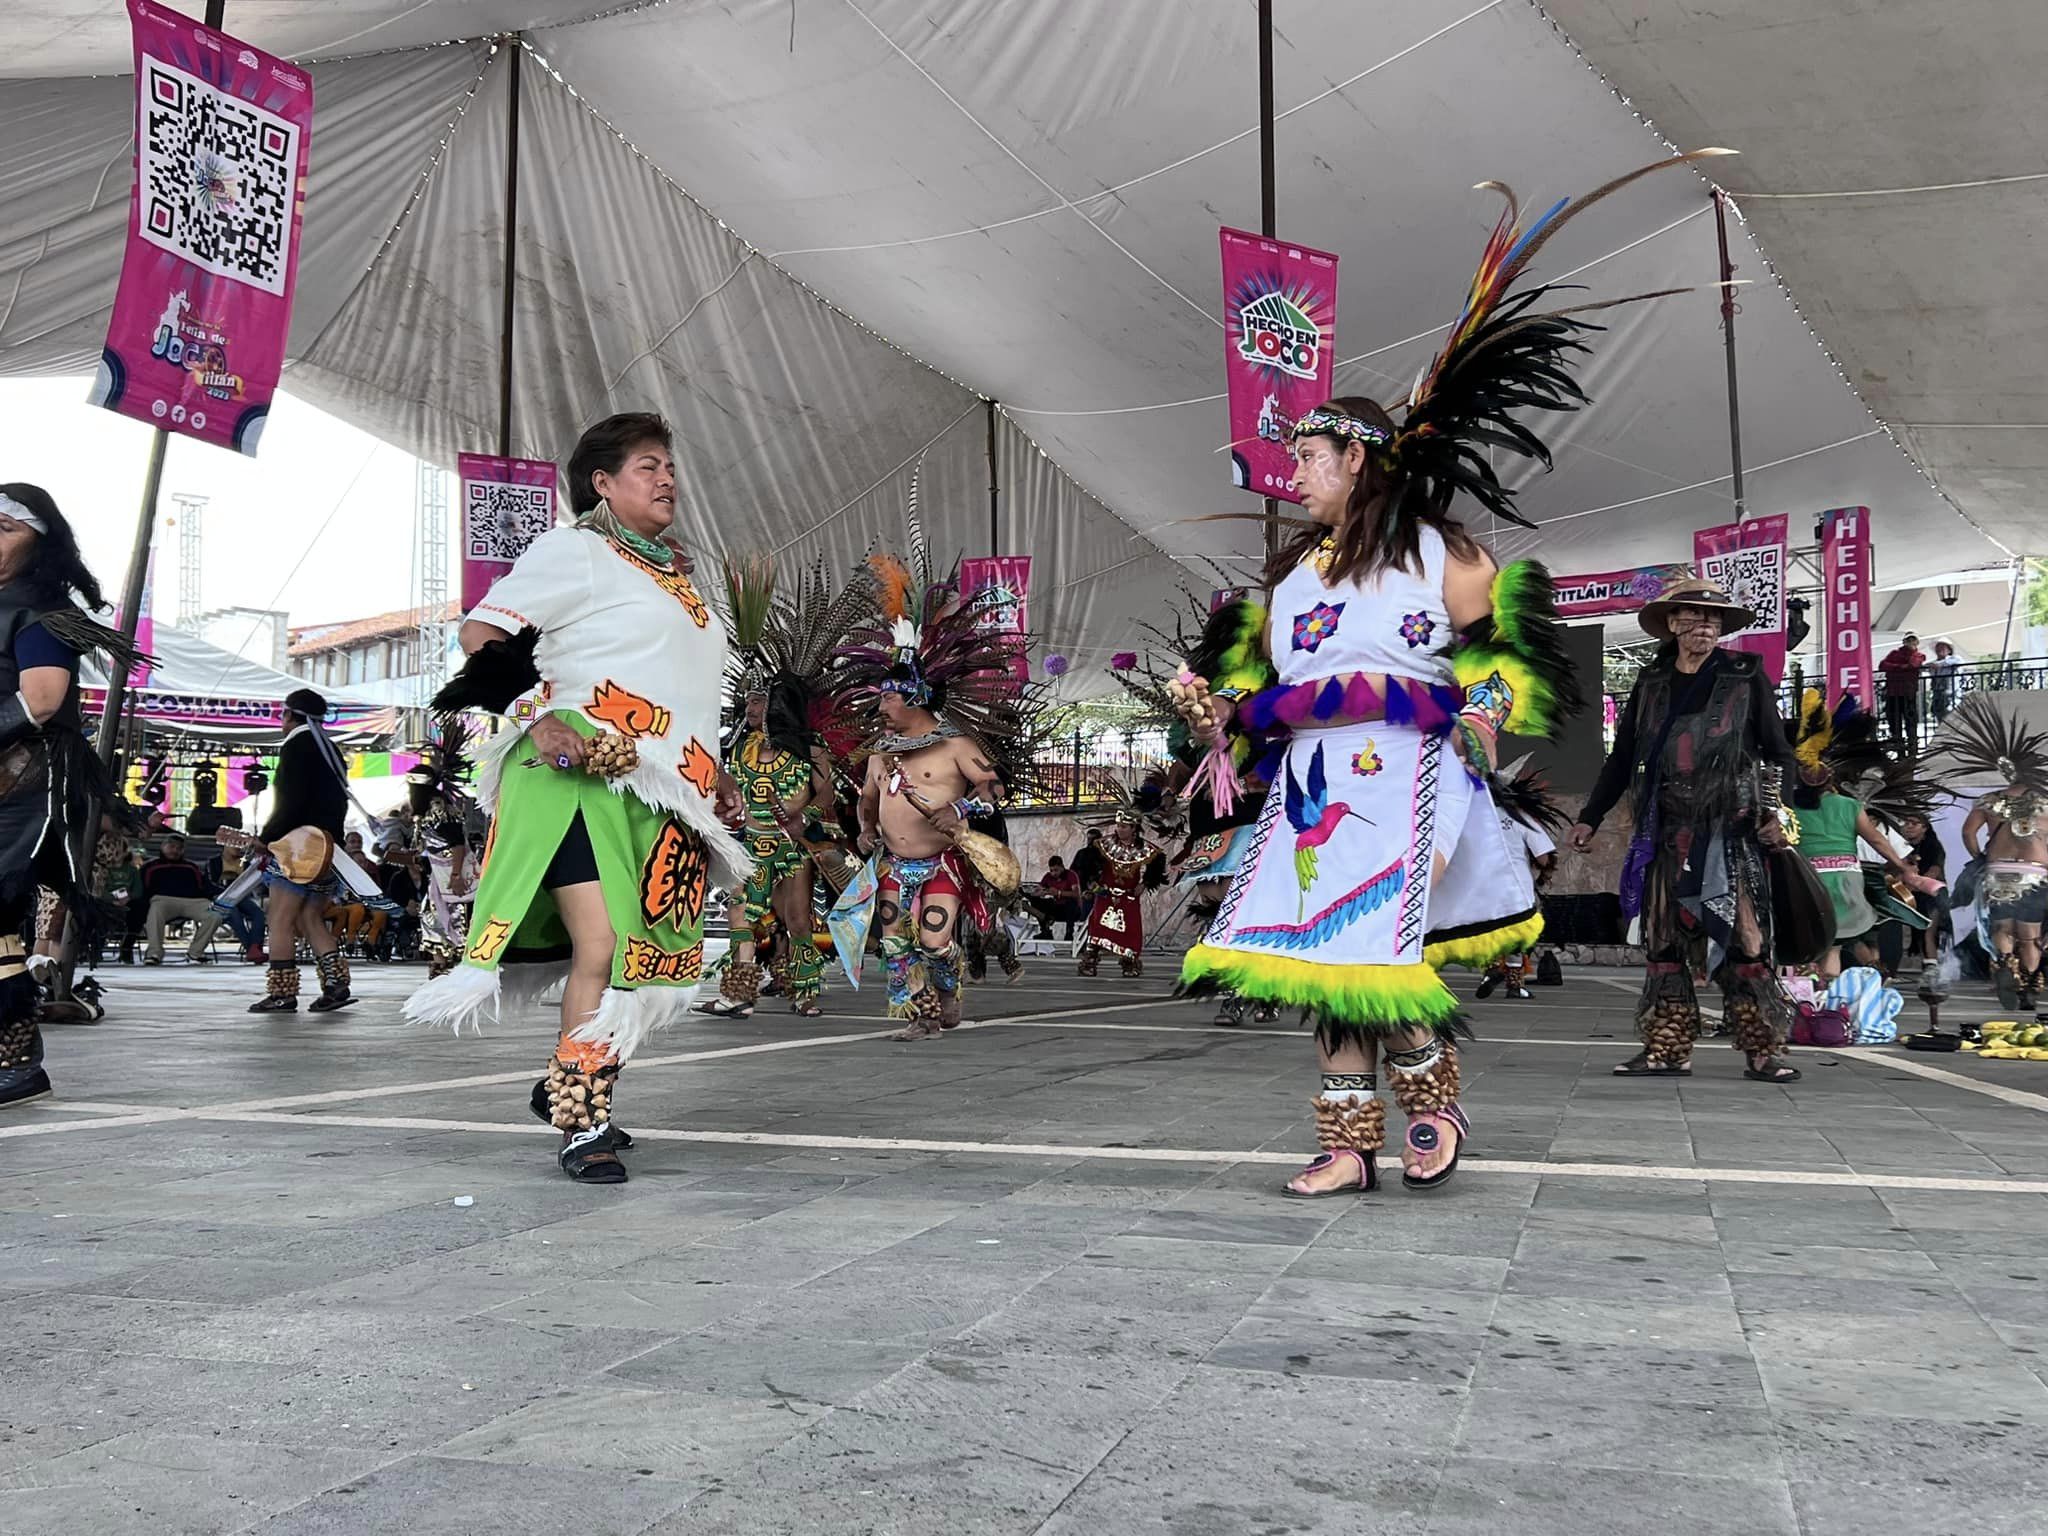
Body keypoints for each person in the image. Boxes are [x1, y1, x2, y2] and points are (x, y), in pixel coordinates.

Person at [1170, 153, 1719, 1195]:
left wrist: (1477, 714)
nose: (1291, 471)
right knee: (1318, 963)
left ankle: (1429, 1100)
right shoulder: (1286, 580)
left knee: (1371, 956)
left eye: (1307, 455)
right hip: (1311, 789)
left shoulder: (1439, 552)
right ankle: (1344, 1143)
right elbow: (1262, 696)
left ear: (1357, 457)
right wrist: (1222, 713)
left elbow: (1502, 659)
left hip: (1404, 783)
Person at [406, 412, 747, 1184]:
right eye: (647, 466)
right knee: (601, 946)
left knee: (638, 956)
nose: (666, 480)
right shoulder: (576, 551)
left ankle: (571, 1083)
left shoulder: (679, 577)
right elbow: (482, 633)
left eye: (669, 467)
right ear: (602, 482)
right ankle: (579, 1120)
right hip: (577, 779)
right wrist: (539, 714)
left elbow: (687, 694)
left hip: (663, 795)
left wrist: (714, 773)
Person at [1572, 576, 1798, 1082]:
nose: (1705, 627)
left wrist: (1777, 814)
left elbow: (1778, 752)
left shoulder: (1745, 675)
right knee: (1663, 941)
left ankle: (1762, 1050)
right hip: (1664, 829)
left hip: (1731, 829)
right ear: (1672, 625)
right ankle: (1667, 1049)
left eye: (1714, 619)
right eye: (1694, 617)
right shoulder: (1651, 684)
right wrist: (1590, 816)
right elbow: (1623, 755)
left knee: (1747, 939)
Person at [836, 547, 1034, 1043]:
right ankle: (921, 1016)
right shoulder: (881, 751)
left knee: (933, 941)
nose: (880, 704)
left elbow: (995, 786)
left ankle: (948, 987)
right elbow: (867, 799)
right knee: (896, 946)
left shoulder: (956, 746)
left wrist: (960, 806)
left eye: (887, 696)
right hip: (891, 864)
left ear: (915, 698)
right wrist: (863, 829)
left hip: (943, 862)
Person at [0, 483, 147, 1108]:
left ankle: (17, 1058)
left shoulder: (37, 611)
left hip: (20, 791)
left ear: (41, 542)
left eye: (6, 526)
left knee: (1, 924)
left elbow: (41, 700)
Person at [699, 572, 839, 1019]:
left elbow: (827, 795)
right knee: (741, 916)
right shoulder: (741, 747)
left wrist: (805, 818)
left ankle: (806, 991)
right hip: (749, 847)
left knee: (797, 922)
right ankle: (739, 994)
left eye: (758, 702)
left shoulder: (811, 747)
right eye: (748, 702)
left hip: (791, 850)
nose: (750, 709)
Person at [1787, 694, 1939, 981]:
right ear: (1831, 778)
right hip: (1846, 881)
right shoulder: (1849, 806)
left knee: (1814, 947)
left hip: (1807, 883)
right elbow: (1877, 841)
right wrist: (1903, 866)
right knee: (1833, 948)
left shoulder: (1790, 807)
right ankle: (1833, 1003)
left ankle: (1813, 1003)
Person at [246, 689, 357, 1013]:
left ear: (290, 715)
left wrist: (267, 838)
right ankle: (336, 985)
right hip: (329, 848)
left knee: (279, 918)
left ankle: (282, 993)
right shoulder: (329, 748)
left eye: (282, 715)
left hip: (299, 847)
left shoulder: (297, 746)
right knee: (310, 916)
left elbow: (290, 802)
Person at [1948, 695, 2048, 1011]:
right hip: (2035, 871)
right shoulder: (2044, 801)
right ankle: (2030, 987)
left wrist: (1979, 856)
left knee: (2002, 928)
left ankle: (2005, 962)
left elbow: (1968, 832)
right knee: (2029, 936)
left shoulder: (1990, 800)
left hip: (1999, 871)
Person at [1475, 763, 1562, 1001]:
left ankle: (1491, 968)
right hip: (1516, 886)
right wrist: (1544, 874)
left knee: (1490, 929)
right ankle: (1515, 985)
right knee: (1517, 933)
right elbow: (1544, 857)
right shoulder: (1523, 819)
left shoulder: (1477, 817)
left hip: (1484, 883)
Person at [1076, 809, 1166, 978]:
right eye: (1118, 826)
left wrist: (1145, 883)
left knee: (1130, 931)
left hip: (1128, 897)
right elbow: (1088, 864)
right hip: (1105, 895)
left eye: (1124, 826)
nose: (1120, 829)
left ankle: (1129, 963)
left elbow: (1158, 862)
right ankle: (1089, 962)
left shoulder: (1144, 848)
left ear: (1134, 828)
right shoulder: (1105, 844)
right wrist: (1093, 883)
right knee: (1097, 928)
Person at [139, 833, 221, 963]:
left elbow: (206, 886)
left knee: (215, 914)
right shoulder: (150, 867)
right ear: (163, 846)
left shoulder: (191, 867)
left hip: (193, 901)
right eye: (171, 846)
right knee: (155, 909)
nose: (175, 851)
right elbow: (142, 889)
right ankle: (154, 953)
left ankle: (196, 952)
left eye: (179, 848)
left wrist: (221, 893)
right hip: (163, 900)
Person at [325, 831, 390, 954]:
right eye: (352, 841)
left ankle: (370, 942)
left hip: (367, 902)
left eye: (359, 842)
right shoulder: (338, 865)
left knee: (381, 912)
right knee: (357, 908)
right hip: (345, 903)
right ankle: (350, 941)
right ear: (346, 844)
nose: (356, 844)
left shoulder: (370, 867)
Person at [1879, 633, 1925, 751]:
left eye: (1913, 641)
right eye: (1908, 641)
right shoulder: (1894, 653)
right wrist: (1902, 668)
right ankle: (1899, 747)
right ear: (1904, 641)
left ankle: (1912, 748)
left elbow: (1913, 664)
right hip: (1893, 692)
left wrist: (1896, 668)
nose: (1911, 643)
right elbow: (1883, 665)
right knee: (1894, 722)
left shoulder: (1919, 655)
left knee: (1910, 722)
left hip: (1908, 693)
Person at [1029, 855, 1085, 939]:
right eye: (1051, 870)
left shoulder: (1071, 875)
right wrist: (1044, 892)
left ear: (1062, 867)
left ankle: (1069, 933)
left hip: (1072, 911)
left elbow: (1076, 894)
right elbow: (1036, 891)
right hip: (1056, 909)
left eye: (1056, 870)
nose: (1053, 873)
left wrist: (1058, 893)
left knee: (1070, 902)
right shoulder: (1048, 876)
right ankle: (1045, 931)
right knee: (1035, 901)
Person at [1926, 639, 1960, 725]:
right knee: (1939, 714)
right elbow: (1925, 667)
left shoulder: (1955, 659)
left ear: (1949, 650)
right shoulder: (1932, 664)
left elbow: (1955, 661)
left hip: (1951, 694)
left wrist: (1938, 664)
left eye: (1943, 647)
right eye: (1938, 648)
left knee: (1950, 713)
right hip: (1937, 693)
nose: (1940, 649)